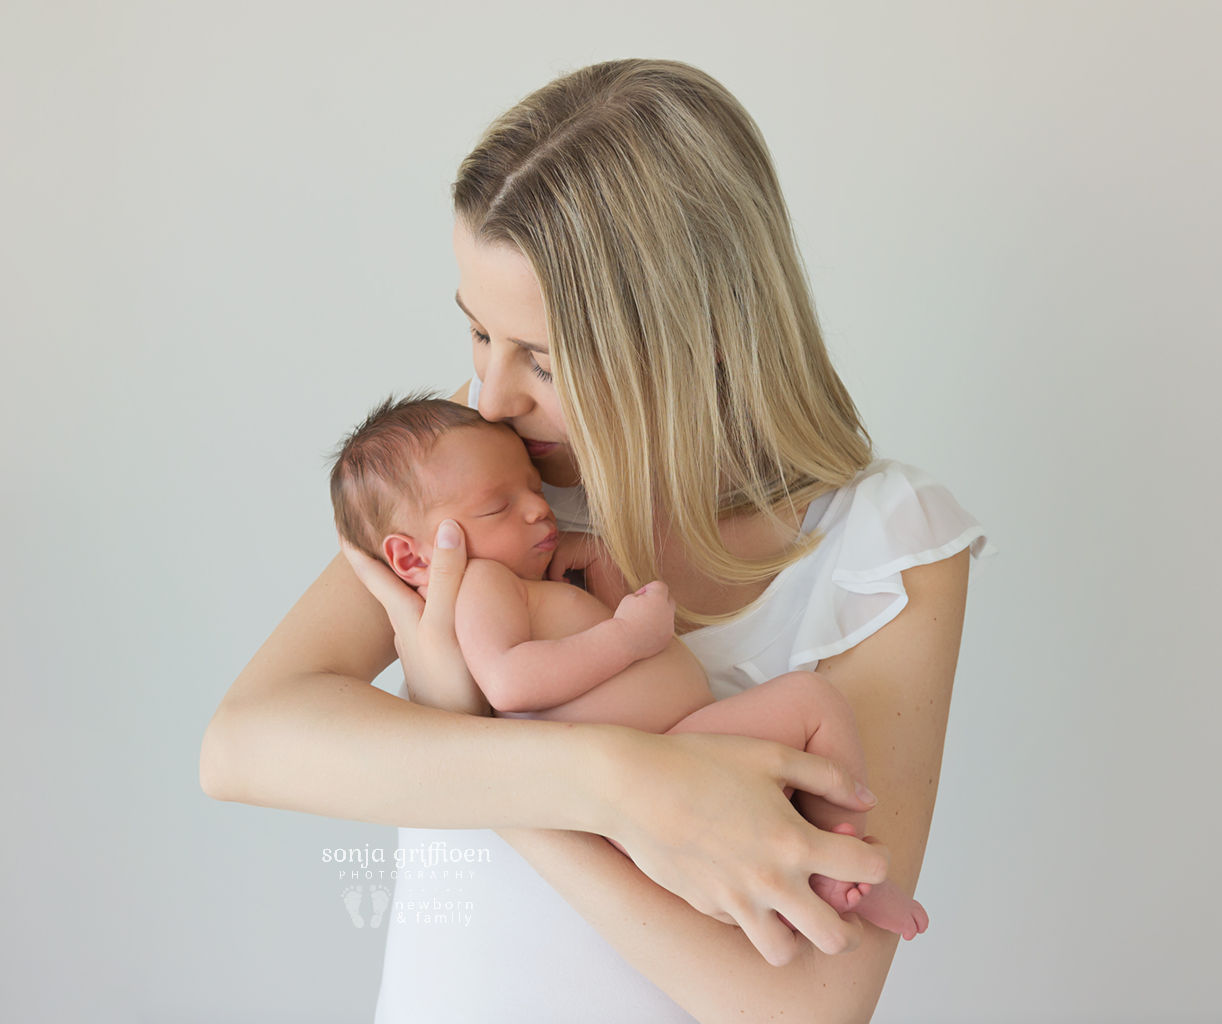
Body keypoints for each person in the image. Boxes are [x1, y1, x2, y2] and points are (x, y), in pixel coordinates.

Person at [201, 58, 992, 1023]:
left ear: (694, 335)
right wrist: (622, 786)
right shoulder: (481, 473)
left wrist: (483, 745)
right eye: (479, 335)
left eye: (540, 355)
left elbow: (809, 1007)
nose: (491, 394)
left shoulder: (886, 546)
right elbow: (244, 746)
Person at [329, 394, 930, 939]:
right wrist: (625, 638)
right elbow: (510, 683)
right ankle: (843, 862)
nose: (539, 510)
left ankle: (831, 855)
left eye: (533, 488)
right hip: (658, 767)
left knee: (810, 707)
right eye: (498, 507)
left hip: (685, 750)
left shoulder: (531, 578)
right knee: (812, 703)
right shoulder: (483, 583)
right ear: (413, 555)